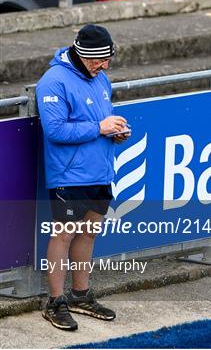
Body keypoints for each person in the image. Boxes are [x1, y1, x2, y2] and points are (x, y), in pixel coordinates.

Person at [37, 24, 130, 331]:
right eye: (97, 60)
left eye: (107, 60)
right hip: (69, 176)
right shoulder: (52, 82)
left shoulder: (100, 78)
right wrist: (100, 128)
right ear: (82, 54)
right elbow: (55, 131)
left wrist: (115, 133)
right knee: (63, 235)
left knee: (88, 233)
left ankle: (80, 295)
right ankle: (55, 301)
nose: (103, 66)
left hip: (100, 171)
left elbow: (101, 122)